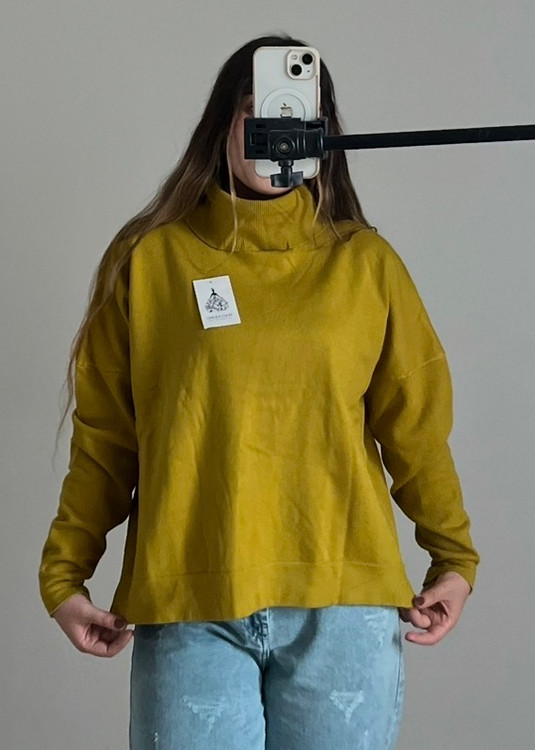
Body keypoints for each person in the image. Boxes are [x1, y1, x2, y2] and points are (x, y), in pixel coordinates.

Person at [38, 34, 480, 750]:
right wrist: (65, 574)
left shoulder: (366, 265)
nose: (278, 130)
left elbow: (417, 429)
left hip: (344, 606)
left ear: (324, 135)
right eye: (259, 109)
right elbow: (108, 439)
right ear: (225, 122)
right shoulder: (150, 259)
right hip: (191, 601)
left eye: (297, 114)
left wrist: (453, 558)